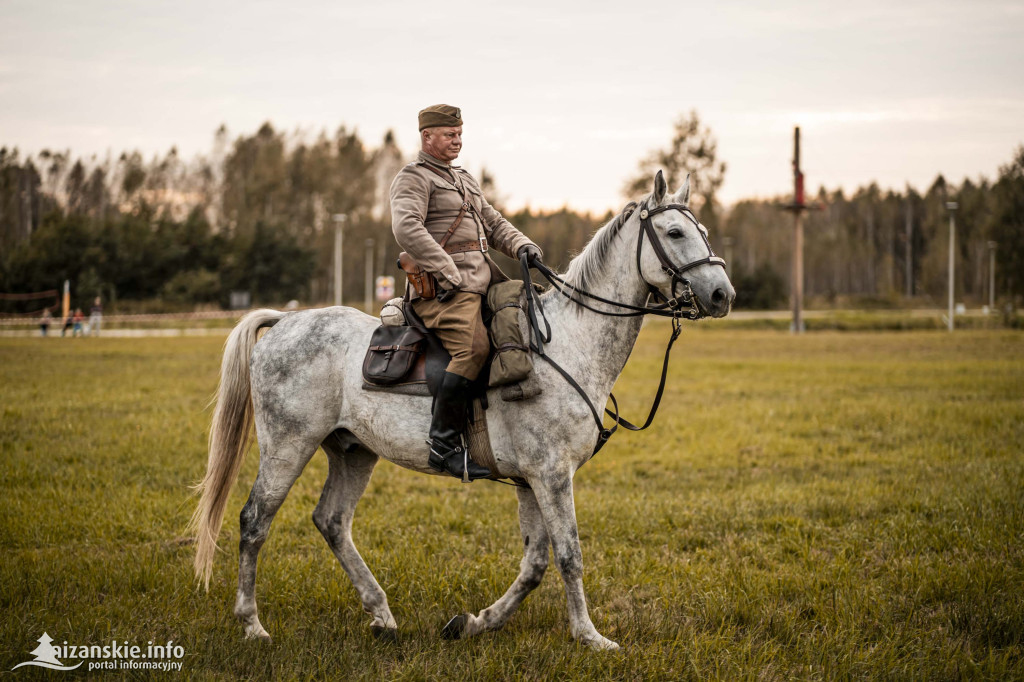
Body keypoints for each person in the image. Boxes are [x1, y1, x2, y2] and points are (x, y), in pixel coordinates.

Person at [390, 104, 543, 481]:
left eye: (459, 134)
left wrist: (522, 245)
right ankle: (443, 446)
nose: (457, 140)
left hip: (482, 281)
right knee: (473, 348)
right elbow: (406, 227)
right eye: (449, 134)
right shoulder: (413, 178)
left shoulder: (463, 178)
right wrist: (446, 271)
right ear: (427, 137)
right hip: (442, 293)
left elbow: (491, 222)